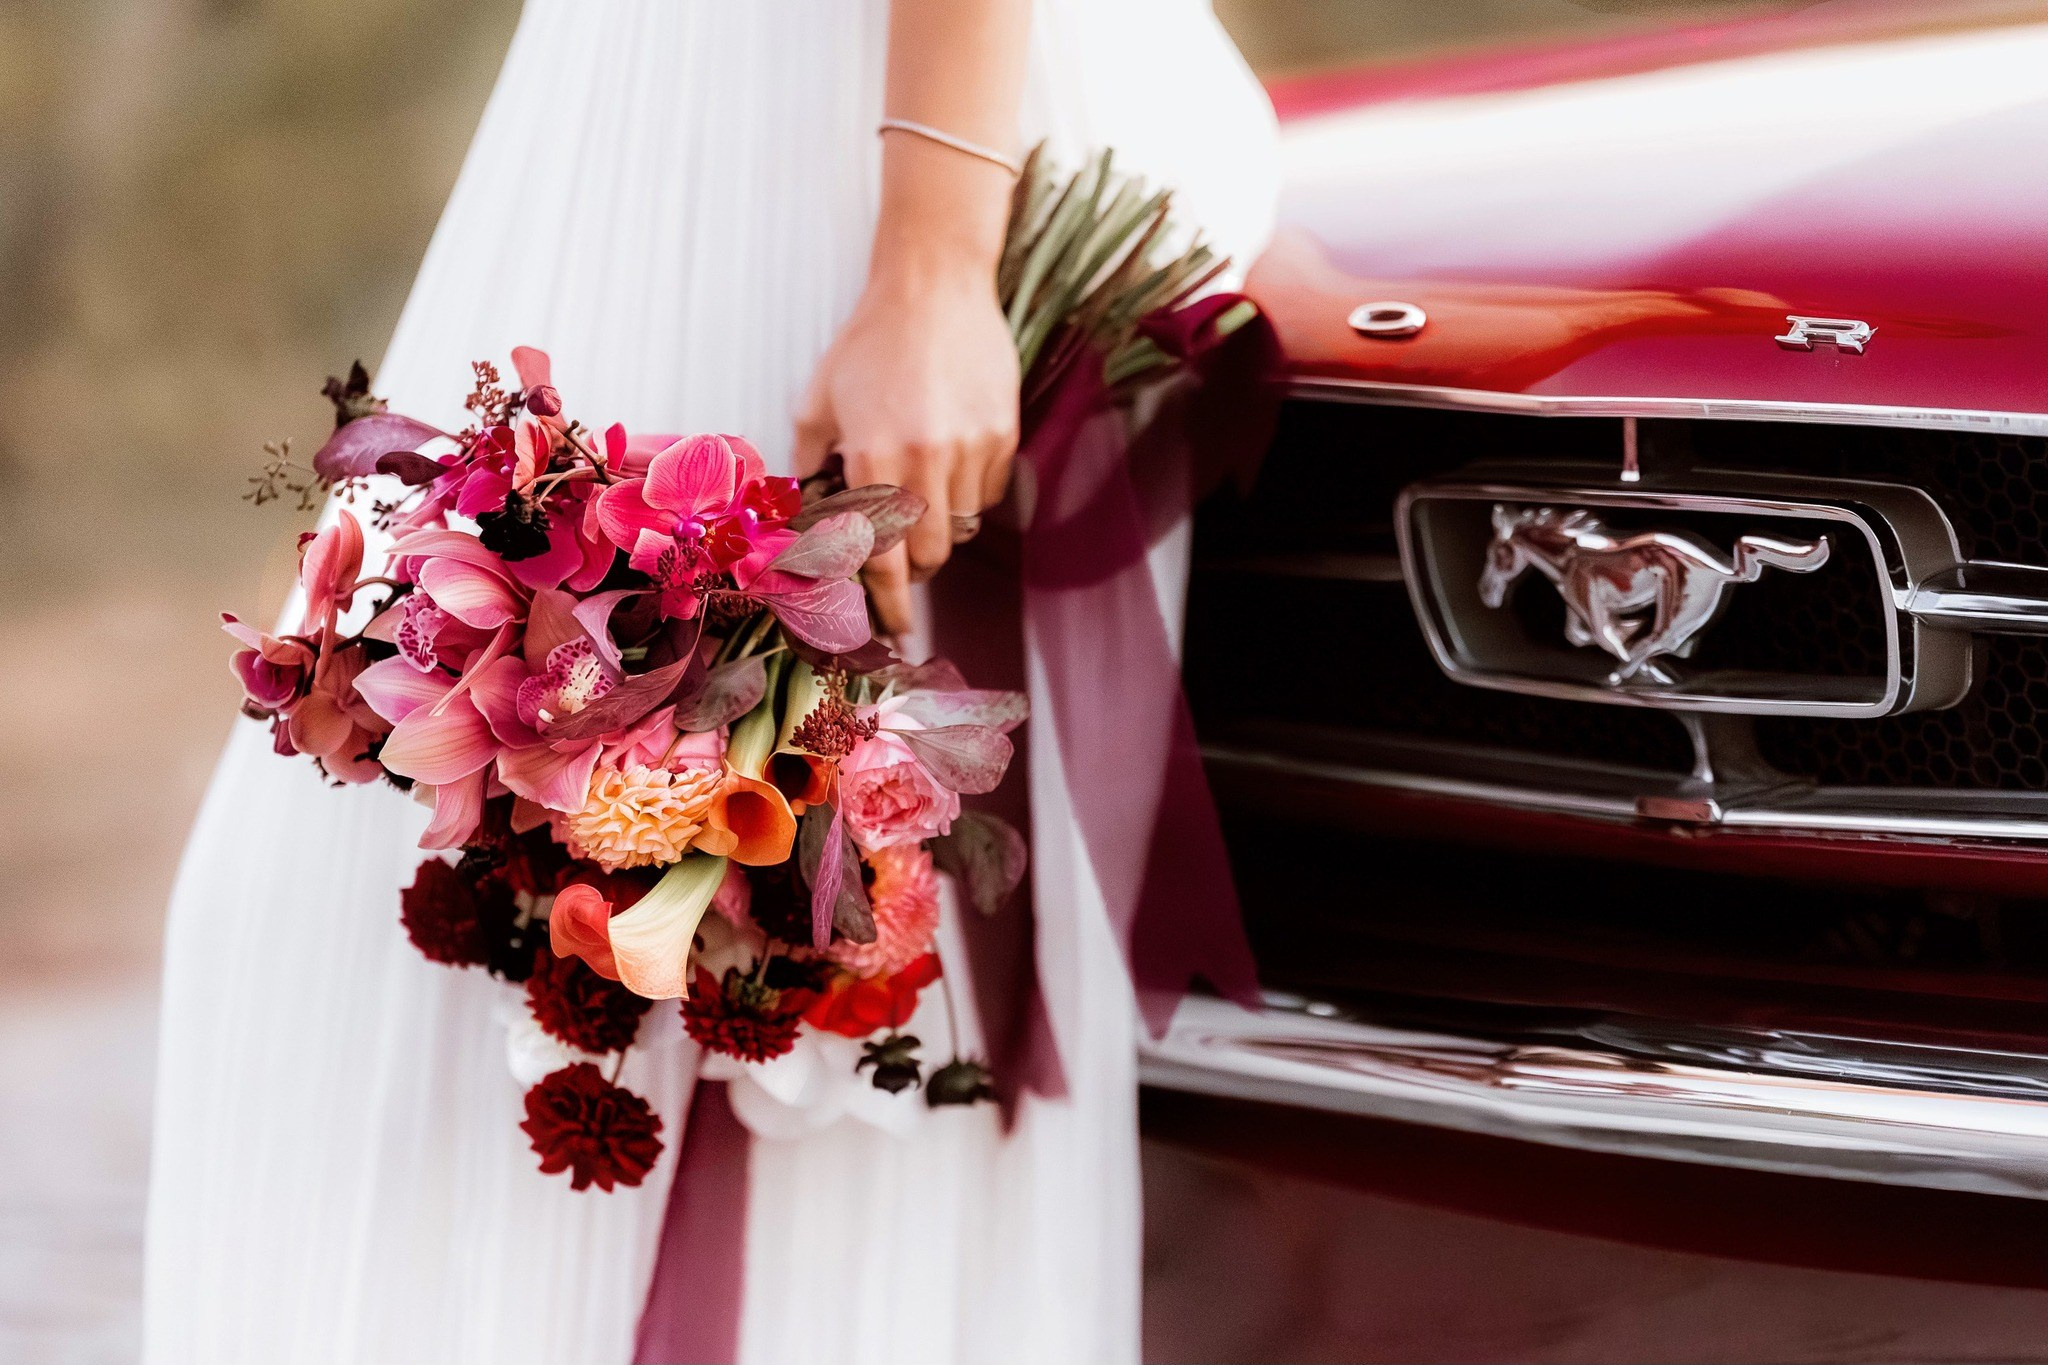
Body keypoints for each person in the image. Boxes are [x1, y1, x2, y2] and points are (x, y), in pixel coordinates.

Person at [144, 1, 1276, 1360]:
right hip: (666, 106)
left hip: (856, 146)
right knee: (347, 945)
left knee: (816, 1046)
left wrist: (928, 259)